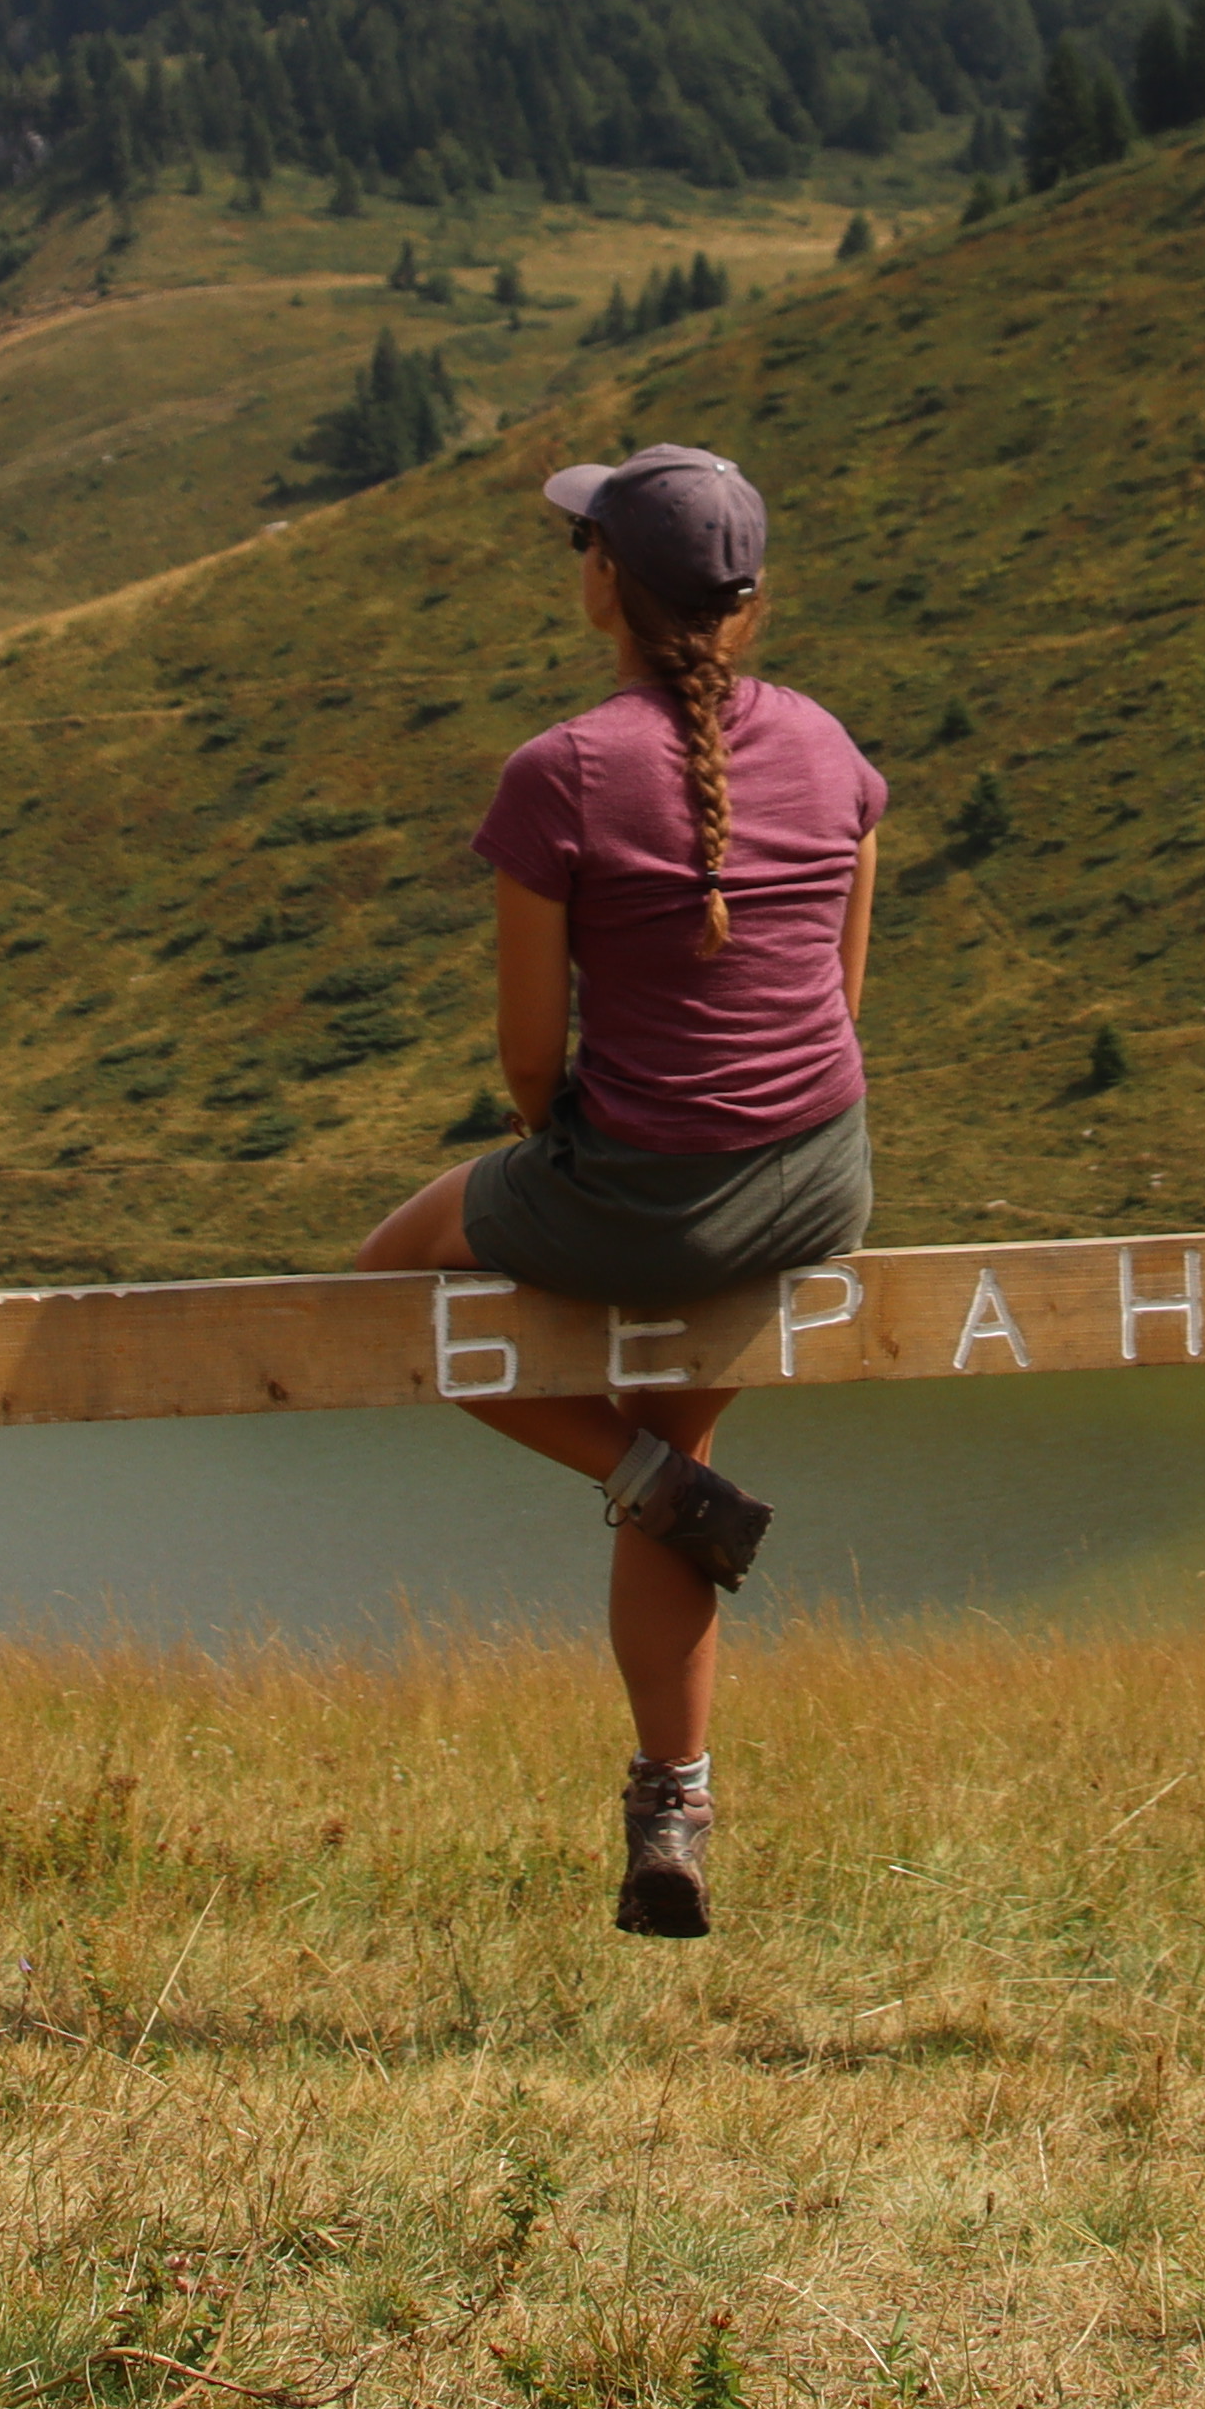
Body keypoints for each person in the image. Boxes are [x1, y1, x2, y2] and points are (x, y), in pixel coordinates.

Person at [356, 439, 883, 1937]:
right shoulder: (832, 748)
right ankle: (674, 1806)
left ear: (605, 583)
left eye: (580, 544)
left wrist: (584, 1161)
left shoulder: (561, 772)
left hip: (642, 1189)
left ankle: (636, 1474)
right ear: (750, 599)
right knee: (683, 1446)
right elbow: (841, 1006)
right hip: (812, 1183)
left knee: (379, 1294)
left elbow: (533, 1060)